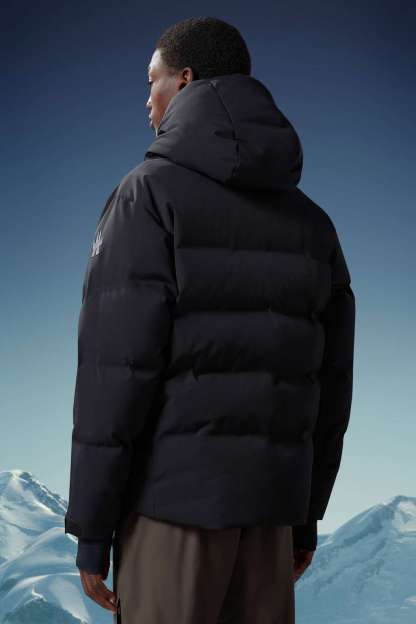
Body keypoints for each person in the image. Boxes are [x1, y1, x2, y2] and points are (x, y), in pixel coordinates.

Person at [64, 16, 356, 624]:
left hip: (170, 518)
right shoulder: (313, 223)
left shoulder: (147, 197)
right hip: (272, 519)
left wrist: (91, 527)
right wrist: (305, 516)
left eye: (152, 80)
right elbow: (330, 387)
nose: (146, 100)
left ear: (185, 80)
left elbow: (114, 375)